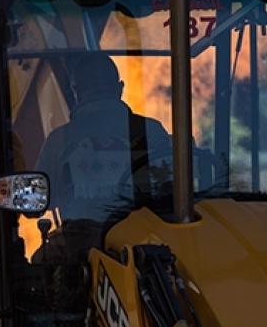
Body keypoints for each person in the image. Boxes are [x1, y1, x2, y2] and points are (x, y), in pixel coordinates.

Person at [35, 51, 170, 223]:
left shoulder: (61, 140)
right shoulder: (153, 130)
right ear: (120, 88)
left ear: (76, 92)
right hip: (157, 235)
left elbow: (38, 203)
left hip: (84, 243)